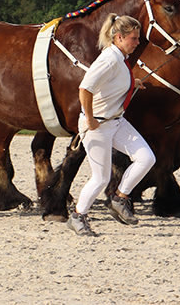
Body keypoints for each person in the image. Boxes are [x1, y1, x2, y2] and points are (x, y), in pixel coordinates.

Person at [67, 14, 156, 236]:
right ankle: (78, 216)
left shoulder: (120, 58)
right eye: (133, 38)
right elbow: (84, 89)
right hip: (98, 126)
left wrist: (131, 83)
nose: (137, 43)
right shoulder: (109, 59)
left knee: (147, 158)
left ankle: (119, 198)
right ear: (118, 37)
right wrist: (89, 119)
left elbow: (111, 81)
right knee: (100, 179)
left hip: (116, 122)